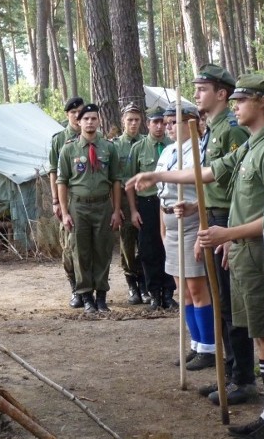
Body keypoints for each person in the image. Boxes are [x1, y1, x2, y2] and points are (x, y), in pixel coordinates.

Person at [132, 74, 264, 439]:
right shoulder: (251, 144)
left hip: (262, 255)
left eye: (242, 100)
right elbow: (208, 172)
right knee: (258, 335)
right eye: (233, 99)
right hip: (241, 250)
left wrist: (229, 233)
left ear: (263, 103)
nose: (235, 106)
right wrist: (158, 173)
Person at [192, 63, 255, 405]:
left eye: (202, 89)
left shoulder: (231, 130)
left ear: (222, 93)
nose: (196, 94)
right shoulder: (212, 129)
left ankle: (242, 378)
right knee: (221, 303)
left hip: (228, 219)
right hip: (213, 216)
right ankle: (229, 373)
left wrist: (229, 233)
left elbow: (237, 188)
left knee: (232, 305)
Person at [157, 105, 215, 371]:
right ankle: (196, 344)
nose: (168, 127)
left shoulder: (200, 151)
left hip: (192, 222)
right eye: (166, 123)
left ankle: (209, 347)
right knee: (183, 292)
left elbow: (207, 196)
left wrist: (201, 233)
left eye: (173, 122)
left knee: (197, 289)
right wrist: (163, 228)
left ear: (190, 123)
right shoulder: (168, 152)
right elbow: (162, 195)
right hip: (171, 222)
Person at [57, 103, 123, 313]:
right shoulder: (69, 149)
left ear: (99, 121)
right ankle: (86, 296)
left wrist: (116, 209)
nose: (90, 122)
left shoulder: (109, 148)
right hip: (79, 208)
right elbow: (62, 181)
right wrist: (65, 212)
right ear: (79, 122)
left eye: (94, 118)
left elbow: (115, 181)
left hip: (103, 206)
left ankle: (101, 296)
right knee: (81, 252)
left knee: (103, 251)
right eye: (86, 119)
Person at [127, 107, 178, 310]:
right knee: (149, 250)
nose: (159, 127)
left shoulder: (172, 147)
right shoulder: (138, 148)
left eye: (163, 123)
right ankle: (154, 293)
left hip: (167, 202)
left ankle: (168, 292)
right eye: (155, 122)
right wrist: (133, 210)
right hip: (147, 204)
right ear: (147, 124)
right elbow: (129, 184)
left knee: (169, 247)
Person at [49, 96, 84, 308]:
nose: (77, 117)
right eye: (73, 113)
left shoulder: (93, 137)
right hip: (67, 199)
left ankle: (89, 289)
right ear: (67, 115)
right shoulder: (59, 139)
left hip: (87, 201)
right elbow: (53, 172)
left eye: (80, 113)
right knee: (69, 246)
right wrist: (55, 201)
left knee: (88, 247)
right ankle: (75, 289)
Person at [113, 103, 146, 304]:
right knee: (127, 243)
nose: (133, 124)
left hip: (145, 198)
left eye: (137, 120)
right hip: (125, 199)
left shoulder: (145, 143)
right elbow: (113, 179)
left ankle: (144, 284)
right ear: (123, 121)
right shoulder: (115, 146)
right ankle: (132, 284)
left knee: (145, 244)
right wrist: (115, 207)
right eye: (130, 120)